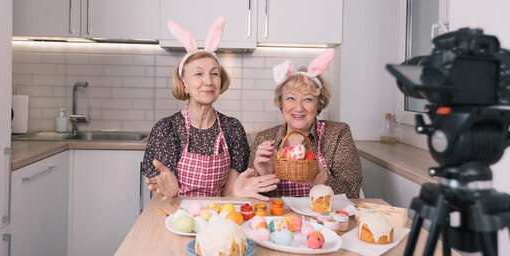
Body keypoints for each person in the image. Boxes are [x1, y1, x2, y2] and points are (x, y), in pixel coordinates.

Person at [142, 16, 279, 201]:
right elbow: (162, 190)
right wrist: (172, 191)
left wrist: (236, 194)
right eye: (199, 73)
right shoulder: (167, 129)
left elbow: (230, 193)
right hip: (175, 216)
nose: (208, 81)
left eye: (214, 74)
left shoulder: (232, 128)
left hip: (218, 217)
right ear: (184, 84)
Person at [248, 49, 362, 198]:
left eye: (307, 99)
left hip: (323, 217)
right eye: (290, 98)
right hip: (280, 219)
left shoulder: (337, 133)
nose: (298, 108)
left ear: (319, 103)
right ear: (281, 102)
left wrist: (323, 179)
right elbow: (249, 198)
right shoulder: (265, 138)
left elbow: (352, 191)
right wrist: (264, 176)